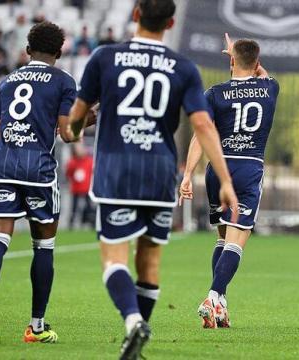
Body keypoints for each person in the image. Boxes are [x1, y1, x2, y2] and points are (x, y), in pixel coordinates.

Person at [64, 0, 239, 357]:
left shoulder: (104, 57)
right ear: (171, 22)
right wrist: (225, 181)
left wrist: (75, 130)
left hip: (117, 169)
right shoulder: (183, 67)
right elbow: (203, 125)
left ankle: (132, 321)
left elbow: (76, 119)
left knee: (114, 258)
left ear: (135, 15)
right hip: (160, 172)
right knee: (150, 262)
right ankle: (136, 343)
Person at [0, 21, 77, 345]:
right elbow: (67, 133)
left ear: (27, 50)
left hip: (3, 163)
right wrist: (91, 117)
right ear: (59, 53)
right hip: (38, 169)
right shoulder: (63, 81)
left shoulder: (7, 82)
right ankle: (36, 326)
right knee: (43, 246)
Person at [179, 34, 278, 329]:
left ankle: (220, 307)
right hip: (249, 170)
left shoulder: (215, 93)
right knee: (237, 239)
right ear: (257, 62)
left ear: (231, 61)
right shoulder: (270, 88)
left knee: (223, 238)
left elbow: (201, 134)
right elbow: (261, 72)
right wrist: (240, 57)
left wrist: (187, 175)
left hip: (218, 169)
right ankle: (213, 296)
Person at [65, 143, 93, 229]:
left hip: (87, 188)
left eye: (81, 148)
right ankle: (71, 224)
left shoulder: (89, 161)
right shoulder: (72, 162)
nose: (80, 150)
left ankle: (90, 222)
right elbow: (68, 174)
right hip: (76, 188)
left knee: (89, 207)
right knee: (74, 208)